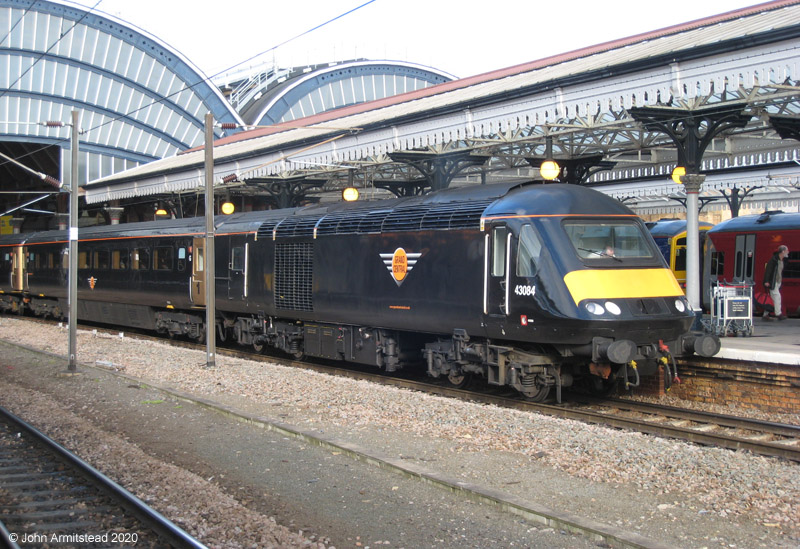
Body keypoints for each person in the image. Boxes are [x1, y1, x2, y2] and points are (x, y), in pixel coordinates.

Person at [763, 244, 789, 320]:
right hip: (773, 282)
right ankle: (778, 314)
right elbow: (768, 271)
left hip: (778, 282)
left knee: (771, 298)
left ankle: (765, 314)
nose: (788, 252)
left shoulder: (781, 260)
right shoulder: (774, 260)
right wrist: (766, 281)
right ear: (783, 251)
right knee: (777, 297)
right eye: (787, 251)